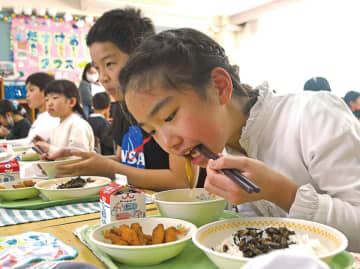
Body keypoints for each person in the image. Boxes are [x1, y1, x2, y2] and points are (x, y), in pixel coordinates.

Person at [119, 28, 360, 251]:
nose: (168, 143)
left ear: (219, 87)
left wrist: (278, 190)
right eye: (151, 131)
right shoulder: (224, 149)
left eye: (169, 116)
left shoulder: (313, 113)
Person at [46, 8, 191, 191]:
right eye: (97, 68)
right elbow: (125, 161)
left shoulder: (169, 108)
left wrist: (109, 168)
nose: (102, 78)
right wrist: (78, 159)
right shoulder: (123, 106)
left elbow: (181, 181)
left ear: (142, 58)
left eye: (109, 64)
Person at [34, 80, 94, 155]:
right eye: (47, 100)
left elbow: (79, 154)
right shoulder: (57, 125)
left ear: (71, 102)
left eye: (55, 98)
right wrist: (45, 146)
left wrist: (49, 149)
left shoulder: (78, 125)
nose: (49, 103)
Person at [5, 72, 59, 146]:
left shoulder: (50, 118)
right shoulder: (42, 116)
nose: (27, 95)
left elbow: (30, 144)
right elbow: (28, 141)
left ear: (46, 92)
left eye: (31, 90)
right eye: (27, 91)